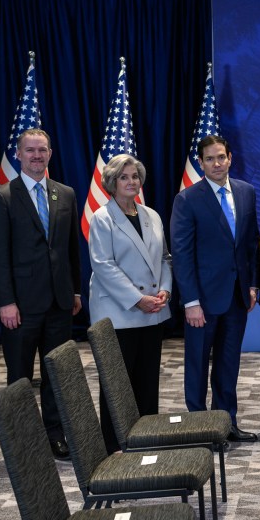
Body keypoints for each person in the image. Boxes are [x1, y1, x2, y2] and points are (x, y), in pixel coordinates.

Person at [0, 128, 80, 460]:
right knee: (20, 377)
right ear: (19, 154)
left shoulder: (65, 193)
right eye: (30, 150)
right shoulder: (2, 197)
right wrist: (5, 303)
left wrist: (75, 291)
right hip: (20, 307)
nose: (36, 156)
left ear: (50, 154)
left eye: (42, 150)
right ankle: (24, 440)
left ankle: (55, 434)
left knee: (56, 374)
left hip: (58, 301)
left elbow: (71, 250)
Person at [171, 134, 259, 443]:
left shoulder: (246, 192)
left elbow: (249, 244)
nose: (217, 163)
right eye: (210, 159)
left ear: (230, 158)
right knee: (197, 363)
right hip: (202, 301)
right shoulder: (187, 199)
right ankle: (198, 430)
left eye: (221, 157)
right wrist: (190, 301)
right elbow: (181, 255)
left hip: (237, 297)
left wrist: (252, 285)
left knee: (228, 363)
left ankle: (226, 424)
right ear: (201, 162)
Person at [87, 154, 173, 453]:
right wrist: (138, 299)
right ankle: (114, 446)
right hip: (119, 314)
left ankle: (147, 439)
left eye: (135, 176)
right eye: (124, 177)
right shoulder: (102, 218)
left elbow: (164, 259)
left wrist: (165, 291)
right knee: (116, 384)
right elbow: (103, 265)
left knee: (147, 381)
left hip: (153, 312)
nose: (131, 182)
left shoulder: (152, 215)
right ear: (112, 182)